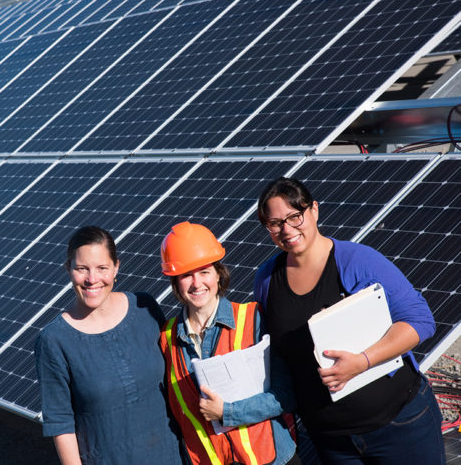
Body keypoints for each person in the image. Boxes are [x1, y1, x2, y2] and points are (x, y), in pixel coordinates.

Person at [253, 176, 445, 464]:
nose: (287, 229)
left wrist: (363, 361)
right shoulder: (267, 280)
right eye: (275, 223)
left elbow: (420, 320)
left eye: (295, 216)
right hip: (333, 441)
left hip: (399, 425)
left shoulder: (358, 261)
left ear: (314, 210)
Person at [34, 225, 183, 465]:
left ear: (116, 268)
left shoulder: (145, 308)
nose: (92, 279)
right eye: (82, 269)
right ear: (68, 269)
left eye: (102, 268)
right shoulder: (53, 341)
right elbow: (61, 423)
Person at [159, 221, 299, 465]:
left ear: (217, 273)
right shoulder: (167, 339)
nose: (196, 283)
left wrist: (227, 413)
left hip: (272, 459)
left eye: (204, 271)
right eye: (185, 275)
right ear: (175, 282)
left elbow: (285, 396)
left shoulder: (253, 319)